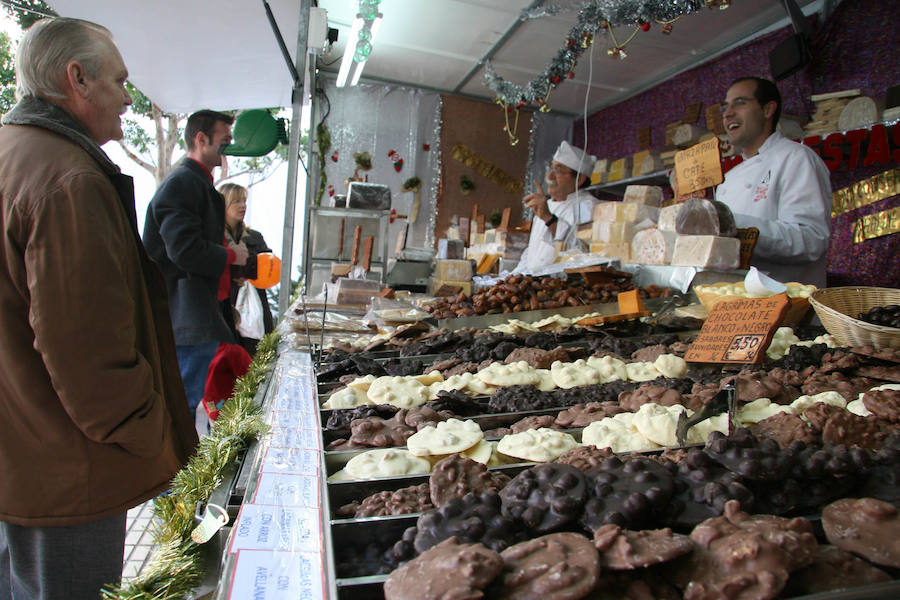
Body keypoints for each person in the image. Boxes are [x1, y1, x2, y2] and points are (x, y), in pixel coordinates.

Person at [0, 18, 198, 599]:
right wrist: (147, 429)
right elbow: (86, 352)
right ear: (77, 79)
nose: (128, 96)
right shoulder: (68, 179)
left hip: (21, 454)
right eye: (120, 80)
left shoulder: (14, 153)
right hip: (65, 470)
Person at [143, 110, 248, 424]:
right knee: (182, 406)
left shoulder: (197, 183)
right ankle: (175, 471)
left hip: (201, 313)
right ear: (201, 139)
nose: (228, 147)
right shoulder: (181, 184)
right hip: (185, 317)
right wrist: (231, 256)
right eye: (224, 140)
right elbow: (184, 250)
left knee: (187, 403)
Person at [715, 76, 832, 287]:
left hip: (790, 306)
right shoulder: (729, 179)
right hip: (736, 303)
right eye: (725, 106)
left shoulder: (796, 158)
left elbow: (811, 241)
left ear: (768, 110)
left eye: (740, 103)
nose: (728, 113)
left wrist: (732, 224)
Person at [514, 141, 596, 273]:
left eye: (557, 171)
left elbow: (579, 252)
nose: (549, 176)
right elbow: (533, 253)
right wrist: (514, 276)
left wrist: (549, 219)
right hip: (532, 285)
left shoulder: (589, 207)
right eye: (550, 169)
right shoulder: (547, 205)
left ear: (579, 179)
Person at [220, 183, 275, 355]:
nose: (242, 205)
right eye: (236, 201)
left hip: (255, 307)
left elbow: (272, 272)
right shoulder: (215, 239)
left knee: (255, 359)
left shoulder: (254, 237)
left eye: (244, 200)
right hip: (225, 308)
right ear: (223, 204)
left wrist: (252, 272)